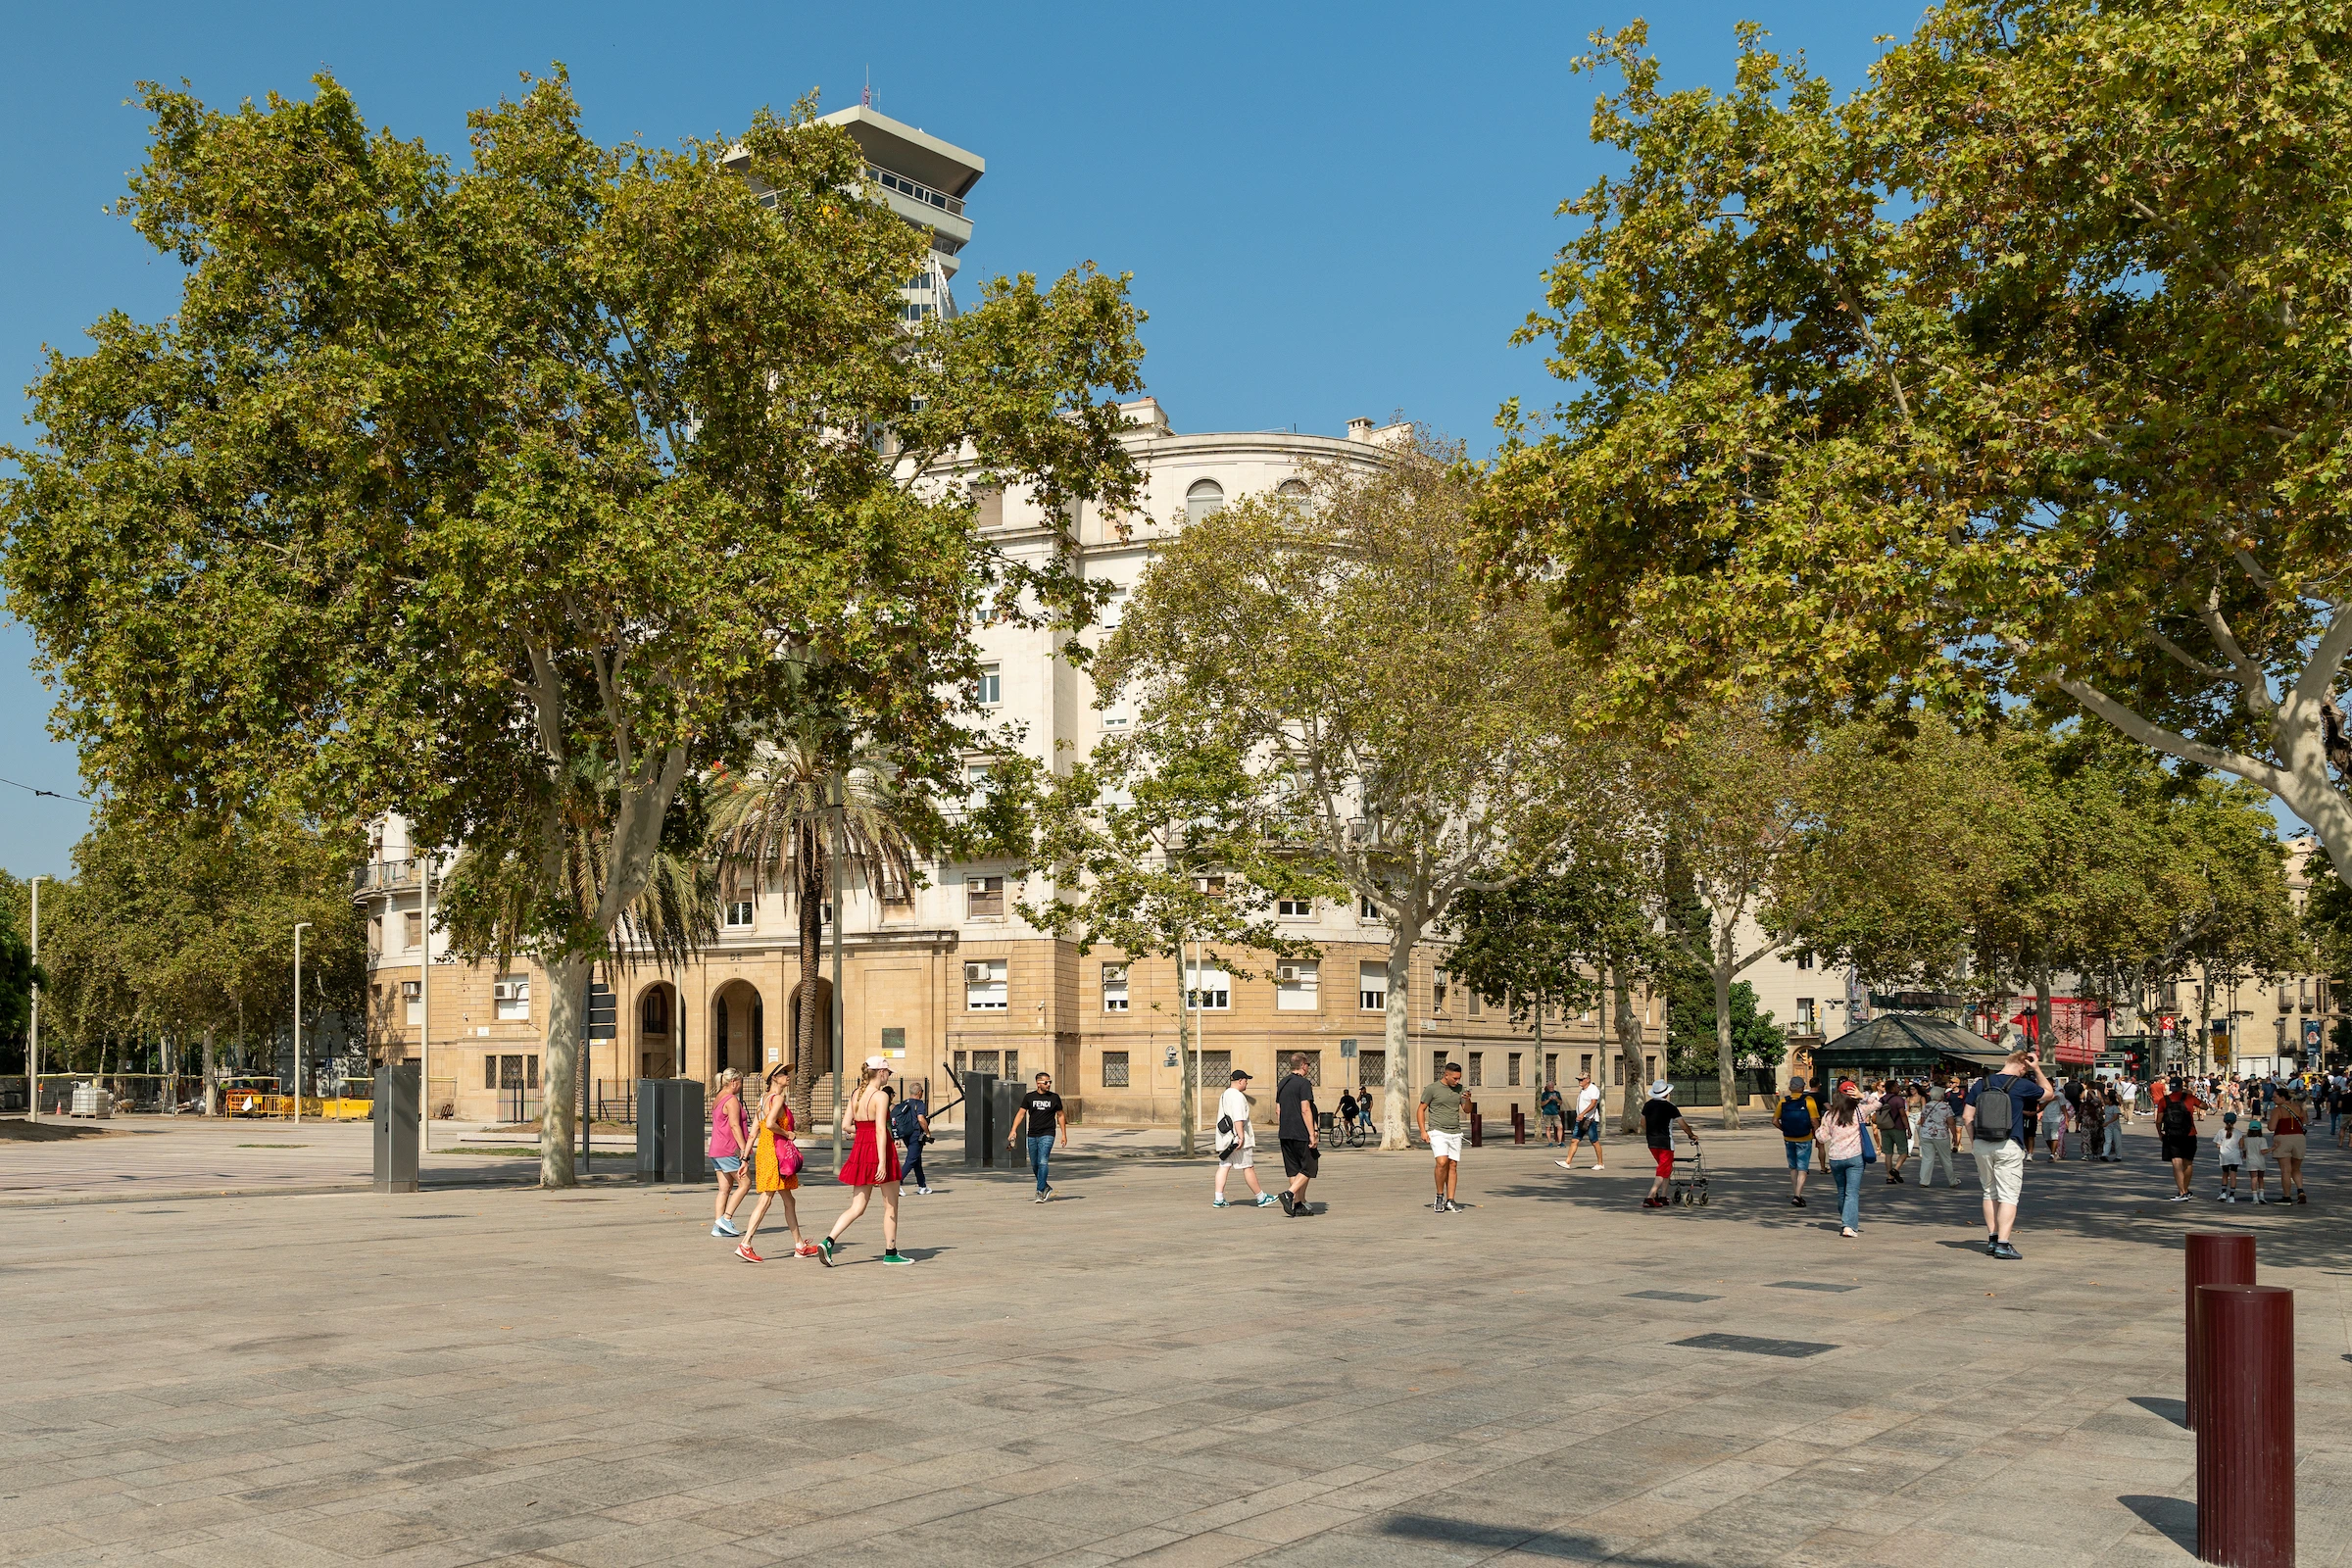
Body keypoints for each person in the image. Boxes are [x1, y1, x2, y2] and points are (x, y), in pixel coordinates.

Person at [1963, 1040, 2055, 1259]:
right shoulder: (2021, 1085)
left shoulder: (1981, 1083)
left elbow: (1967, 1116)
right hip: (2008, 1143)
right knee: (2008, 1196)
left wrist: (1975, 1141)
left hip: (1982, 1144)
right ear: (2023, 1066)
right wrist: (2038, 1068)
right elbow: (2049, 1093)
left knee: (1989, 1192)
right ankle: (2004, 1244)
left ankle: (1992, 1239)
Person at [821, 1057, 911, 1265]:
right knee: (890, 1206)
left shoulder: (856, 1094)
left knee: (857, 1206)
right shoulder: (880, 1096)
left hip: (861, 1148)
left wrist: (862, 1131)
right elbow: (881, 1129)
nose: (889, 1075)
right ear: (880, 1072)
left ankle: (828, 1241)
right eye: (887, 1072)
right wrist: (882, 1161)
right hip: (880, 1150)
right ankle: (891, 1252)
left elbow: (846, 1125)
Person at [736, 1062, 815, 1262]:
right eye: (783, 1073)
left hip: (765, 1151)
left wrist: (745, 1159)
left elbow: (753, 1133)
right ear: (774, 1078)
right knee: (766, 1199)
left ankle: (799, 1245)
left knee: (789, 1200)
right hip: (775, 1153)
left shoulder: (763, 1100)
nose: (788, 1076)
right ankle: (745, 1243)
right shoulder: (777, 1098)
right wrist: (787, 1133)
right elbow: (770, 1124)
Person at [1214, 1067, 1279, 1208]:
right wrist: (1241, 1137)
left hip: (1225, 1138)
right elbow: (1238, 1118)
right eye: (1246, 1081)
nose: (1247, 1084)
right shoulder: (1237, 1096)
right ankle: (1261, 1197)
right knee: (1248, 1167)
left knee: (1224, 1166)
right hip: (1237, 1139)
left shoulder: (1225, 1094)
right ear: (1240, 1081)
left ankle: (1218, 1198)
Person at [1814, 1085, 1869, 1237]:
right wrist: (1862, 1095)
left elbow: (1822, 1137)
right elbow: (1879, 1103)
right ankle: (1848, 1225)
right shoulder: (1859, 1111)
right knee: (1852, 1192)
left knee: (1842, 1191)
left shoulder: (1829, 1115)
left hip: (1836, 1158)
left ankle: (1846, 1219)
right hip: (1855, 1157)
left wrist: (1818, 1128)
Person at [1419, 1058, 1472, 1212]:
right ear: (1446, 1075)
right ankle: (1439, 1196)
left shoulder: (1461, 1089)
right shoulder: (1432, 1089)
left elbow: (1467, 1110)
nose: (1457, 1081)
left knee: (1453, 1165)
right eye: (1455, 1078)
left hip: (1455, 1132)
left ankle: (1451, 1200)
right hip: (1437, 1131)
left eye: (1459, 1078)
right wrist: (1423, 1131)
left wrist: (1468, 1100)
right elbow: (1421, 1109)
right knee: (1442, 1162)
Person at [1005, 1070, 1066, 1202]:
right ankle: (1045, 1186)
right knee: (1034, 1164)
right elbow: (1021, 1113)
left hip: (1048, 1133)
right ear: (1039, 1084)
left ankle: (1039, 1192)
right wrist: (1013, 1130)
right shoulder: (1029, 1097)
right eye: (1046, 1082)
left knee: (1043, 1161)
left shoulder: (1054, 1097)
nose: (1049, 1084)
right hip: (1032, 1134)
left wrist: (1064, 1135)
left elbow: (1060, 1115)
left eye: (1050, 1082)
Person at [708, 1067, 752, 1239]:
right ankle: (726, 1219)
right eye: (740, 1083)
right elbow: (734, 1126)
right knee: (745, 1183)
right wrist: (744, 1151)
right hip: (728, 1149)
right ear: (733, 1082)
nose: (741, 1087)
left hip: (716, 1150)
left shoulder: (718, 1098)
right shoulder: (731, 1100)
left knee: (724, 1189)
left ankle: (717, 1226)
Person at [1276, 1054, 1321, 1217]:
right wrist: (1312, 1134)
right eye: (1308, 1065)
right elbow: (1305, 1109)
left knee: (1294, 1169)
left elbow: (1278, 1110)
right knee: (1310, 1166)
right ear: (1303, 1065)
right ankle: (1289, 1194)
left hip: (1285, 1132)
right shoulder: (1304, 1083)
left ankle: (1298, 1204)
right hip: (1300, 1132)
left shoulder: (1282, 1083)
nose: (1308, 1068)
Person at [1641, 1081, 1696, 1210]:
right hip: (1666, 1142)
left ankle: (1664, 1196)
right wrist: (1691, 1135)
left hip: (1652, 1141)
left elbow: (1642, 1123)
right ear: (1666, 1093)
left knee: (1666, 1168)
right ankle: (1650, 1196)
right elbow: (1683, 1125)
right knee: (1662, 1170)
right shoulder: (1670, 1107)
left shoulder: (1647, 1105)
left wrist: (1650, 1132)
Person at [1775, 1076, 1821, 1207]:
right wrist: (1818, 1137)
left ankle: (1796, 1192)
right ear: (1802, 1088)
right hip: (1804, 1138)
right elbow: (1814, 1121)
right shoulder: (1809, 1100)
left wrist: (1784, 1129)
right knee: (1803, 1168)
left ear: (1790, 1088)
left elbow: (1774, 1121)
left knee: (1793, 1167)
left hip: (1789, 1138)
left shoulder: (1783, 1101)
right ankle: (1797, 1195)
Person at [2157, 1073, 2205, 1200]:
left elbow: (2159, 1120)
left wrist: (2160, 1133)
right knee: (2188, 1163)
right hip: (2189, 1133)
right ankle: (2186, 1189)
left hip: (2172, 1135)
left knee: (2176, 1163)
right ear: (2181, 1086)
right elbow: (2204, 1106)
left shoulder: (2164, 1100)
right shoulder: (2189, 1097)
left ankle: (2182, 1192)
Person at [1555, 1071, 1606, 1171]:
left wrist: (1582, 1114)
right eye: (1578, 1079)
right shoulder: (1583, 1090)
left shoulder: (1593, 1089)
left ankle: (1600, 1163)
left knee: (1594, 1141)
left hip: (1590, 1119)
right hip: (1581, 1119)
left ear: (1588, 1080)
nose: (1579, 1081)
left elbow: (1593, 1104)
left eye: (1581, 1080)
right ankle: (1567, 1162)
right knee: (1575, 1139)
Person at [892, 1078, 932, 1196]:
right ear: (919, 1092)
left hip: (906, 1135)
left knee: (916, 1159)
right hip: (916, 1134)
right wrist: (928, 1132)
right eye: (922, 1091)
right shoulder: (920, 1104)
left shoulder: (905, 1103)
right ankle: (897, 1183)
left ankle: (922, 1185)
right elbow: (921, 1119)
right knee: (911, 1160)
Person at [1916, 1081, 1958, 1187]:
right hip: (1941, 1135)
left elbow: (1922, 1120)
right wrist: (1955, 1136)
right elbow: (1951, 1123)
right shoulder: (1946, 1107)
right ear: (1941, 1095)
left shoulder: (1926, 1106)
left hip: (1926, 1134)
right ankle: (1952, 1181)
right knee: (1946, 1159)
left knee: (1927, 1159)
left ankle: (1924, 1181)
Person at [2272, 1091, 2309, 1204]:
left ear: (2283, 1098)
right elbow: (2306, 1121)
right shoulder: (2299, 1108)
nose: (2273, 1099)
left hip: (2283, 1138)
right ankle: (2300, 1190)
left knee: (2285, 1170)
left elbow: (2271, 1127)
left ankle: (2287, 1197)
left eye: (2275, 1097)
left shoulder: (2278, 1110)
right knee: (2296, 1168)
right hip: (2299, 1138)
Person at [1875, 1079, 1911, 1184]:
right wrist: (1907, 1127)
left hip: (1884, 1128)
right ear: (1893, 1088)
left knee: (1888, 1153)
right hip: (1898, 1127)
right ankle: (1896, 1169)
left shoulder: (1882, 1099)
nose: (1899, 1088)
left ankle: (1889, 1177)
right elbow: (1902, 1115)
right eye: (1897, 1086)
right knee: (1903, 1152)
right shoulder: (1899, 1100)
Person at [2214, 1111, 2245, 1202]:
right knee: (2233, 1175)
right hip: (2235, 1156)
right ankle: (2231, 1196)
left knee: (2225, 1174)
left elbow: (2218, 1145)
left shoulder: (2221, 1132)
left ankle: (2223, 1193)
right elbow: (2241, 1145)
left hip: (2224, 1156)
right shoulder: (2239, 1133)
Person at [1539, 1081, 1565, 1145]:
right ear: (1547, 1087)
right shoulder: (1544, 1094)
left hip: (1555, 1113)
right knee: (1548, 1127)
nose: (1551, 1088)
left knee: (1560, 1127)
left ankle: (1560, 1141)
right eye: (1550, 1087)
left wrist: (1556, 1099)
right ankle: (1550, 1142)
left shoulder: (1557, 1093)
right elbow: (1541, 1104)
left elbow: (1561, 1103)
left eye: (1552, 1087)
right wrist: (1549, 1099)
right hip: (1547, 1113)